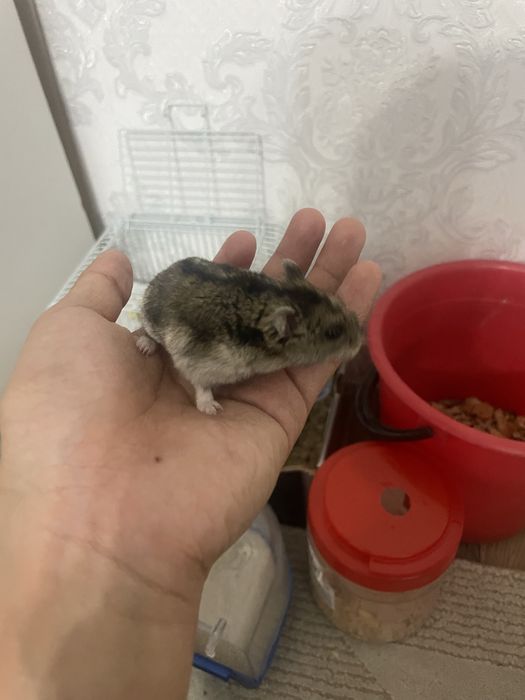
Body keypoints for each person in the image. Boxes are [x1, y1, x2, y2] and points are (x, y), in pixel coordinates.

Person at [0, 209, 380, 699]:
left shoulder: (275, 327)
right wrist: (201, 392)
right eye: (330, 336)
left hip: (202, 291)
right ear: (282, 331)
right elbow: (192, 356)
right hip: (170, 307)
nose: (347, 344)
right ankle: (150, 332)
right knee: (170, 334)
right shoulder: (235, 349)